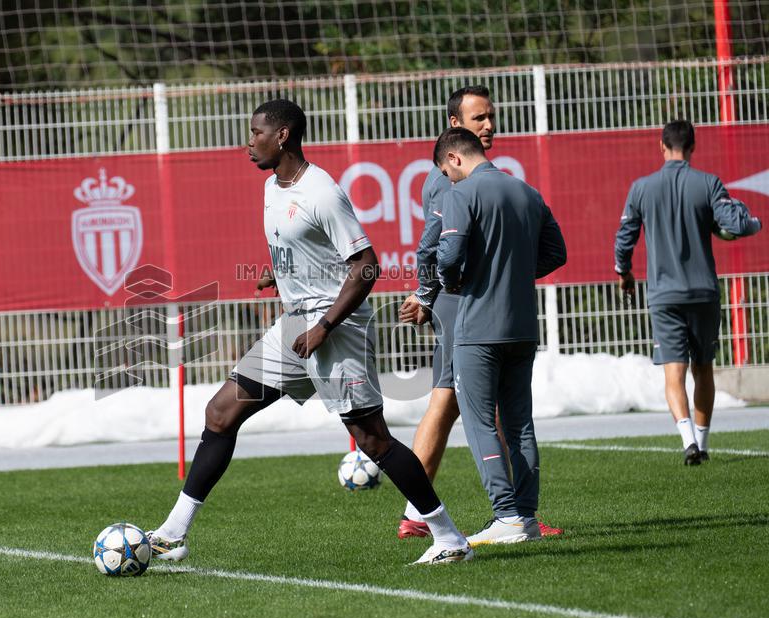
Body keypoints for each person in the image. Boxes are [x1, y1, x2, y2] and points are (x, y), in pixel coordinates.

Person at [147, 99, 473, 565]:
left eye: (256, 132)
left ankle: (448, 538)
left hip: (334, 330)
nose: (248, 142)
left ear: (283, 136)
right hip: (296, 323)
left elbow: (365, 266)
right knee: (220, 413)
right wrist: (279, 275)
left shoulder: (321, 192)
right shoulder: (271, 187)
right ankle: (174, 532)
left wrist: (324, 326)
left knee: (372, 439)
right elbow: (309, 253)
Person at [399, 86, 562, 540]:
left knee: (459, 407)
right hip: (480, 313)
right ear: (456, 127)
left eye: (491, 116)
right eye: (479, 119)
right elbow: (433, 246)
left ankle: (499, 514)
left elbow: (442, 251)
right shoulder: (459, 181)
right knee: (463, 406)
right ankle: (425, 510)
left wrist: (456, 282)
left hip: (476, 308)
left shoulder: (467, 184)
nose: (489, 125)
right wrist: (432, 294)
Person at [435, 128, 567, 546]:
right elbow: (557, 253)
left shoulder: (463, 193)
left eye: (446, 171)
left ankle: (505, 516)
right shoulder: (527, 192)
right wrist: (512, 275)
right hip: (523, 326)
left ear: (454, 158)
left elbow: (451, 255)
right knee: (520, 424)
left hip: (479, 327)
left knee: (478, 423)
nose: (448, 180)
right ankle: (526, 518)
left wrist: (454, 280)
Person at [614, 119, 761, 465]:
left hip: (664, 295)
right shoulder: (708, 183)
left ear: (662, 147)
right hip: (703, 292)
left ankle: (687, 442)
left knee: (673, 372)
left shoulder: (641, 188)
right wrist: (754, 221)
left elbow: (624, 240)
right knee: (703, 369)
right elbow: (737, 224)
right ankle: (704, 443)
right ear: (693, 148)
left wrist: (625, 272)